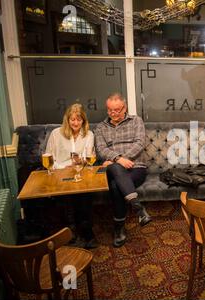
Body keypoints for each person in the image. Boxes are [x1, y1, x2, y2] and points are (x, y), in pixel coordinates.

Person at [95, 93, 152, 248]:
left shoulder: (136, 121)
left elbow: (140, 143)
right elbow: (100, 150)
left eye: (117, 110)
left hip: (136, 168)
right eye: (110, 110)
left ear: (124, 108)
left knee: (115, 186)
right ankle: (138, 208)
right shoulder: (101, 127)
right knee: (114, 167)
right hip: (113, 169)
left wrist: (120, 159)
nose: (113, 113)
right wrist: (118, 160)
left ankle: (119, 228)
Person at [44, 103, 98, 248]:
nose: (75, 123)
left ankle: (87, 231)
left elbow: (89, 158)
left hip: (80, 172)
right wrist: (62, 167)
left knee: (85, 195)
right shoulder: (56, 133)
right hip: (60, 172)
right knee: (67, 197)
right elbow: (49, 157)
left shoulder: (89, 134)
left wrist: (82, 162)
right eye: (72, 119)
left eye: (79, 119)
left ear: (83, 121)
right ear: (67, 120)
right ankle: (71, 232)